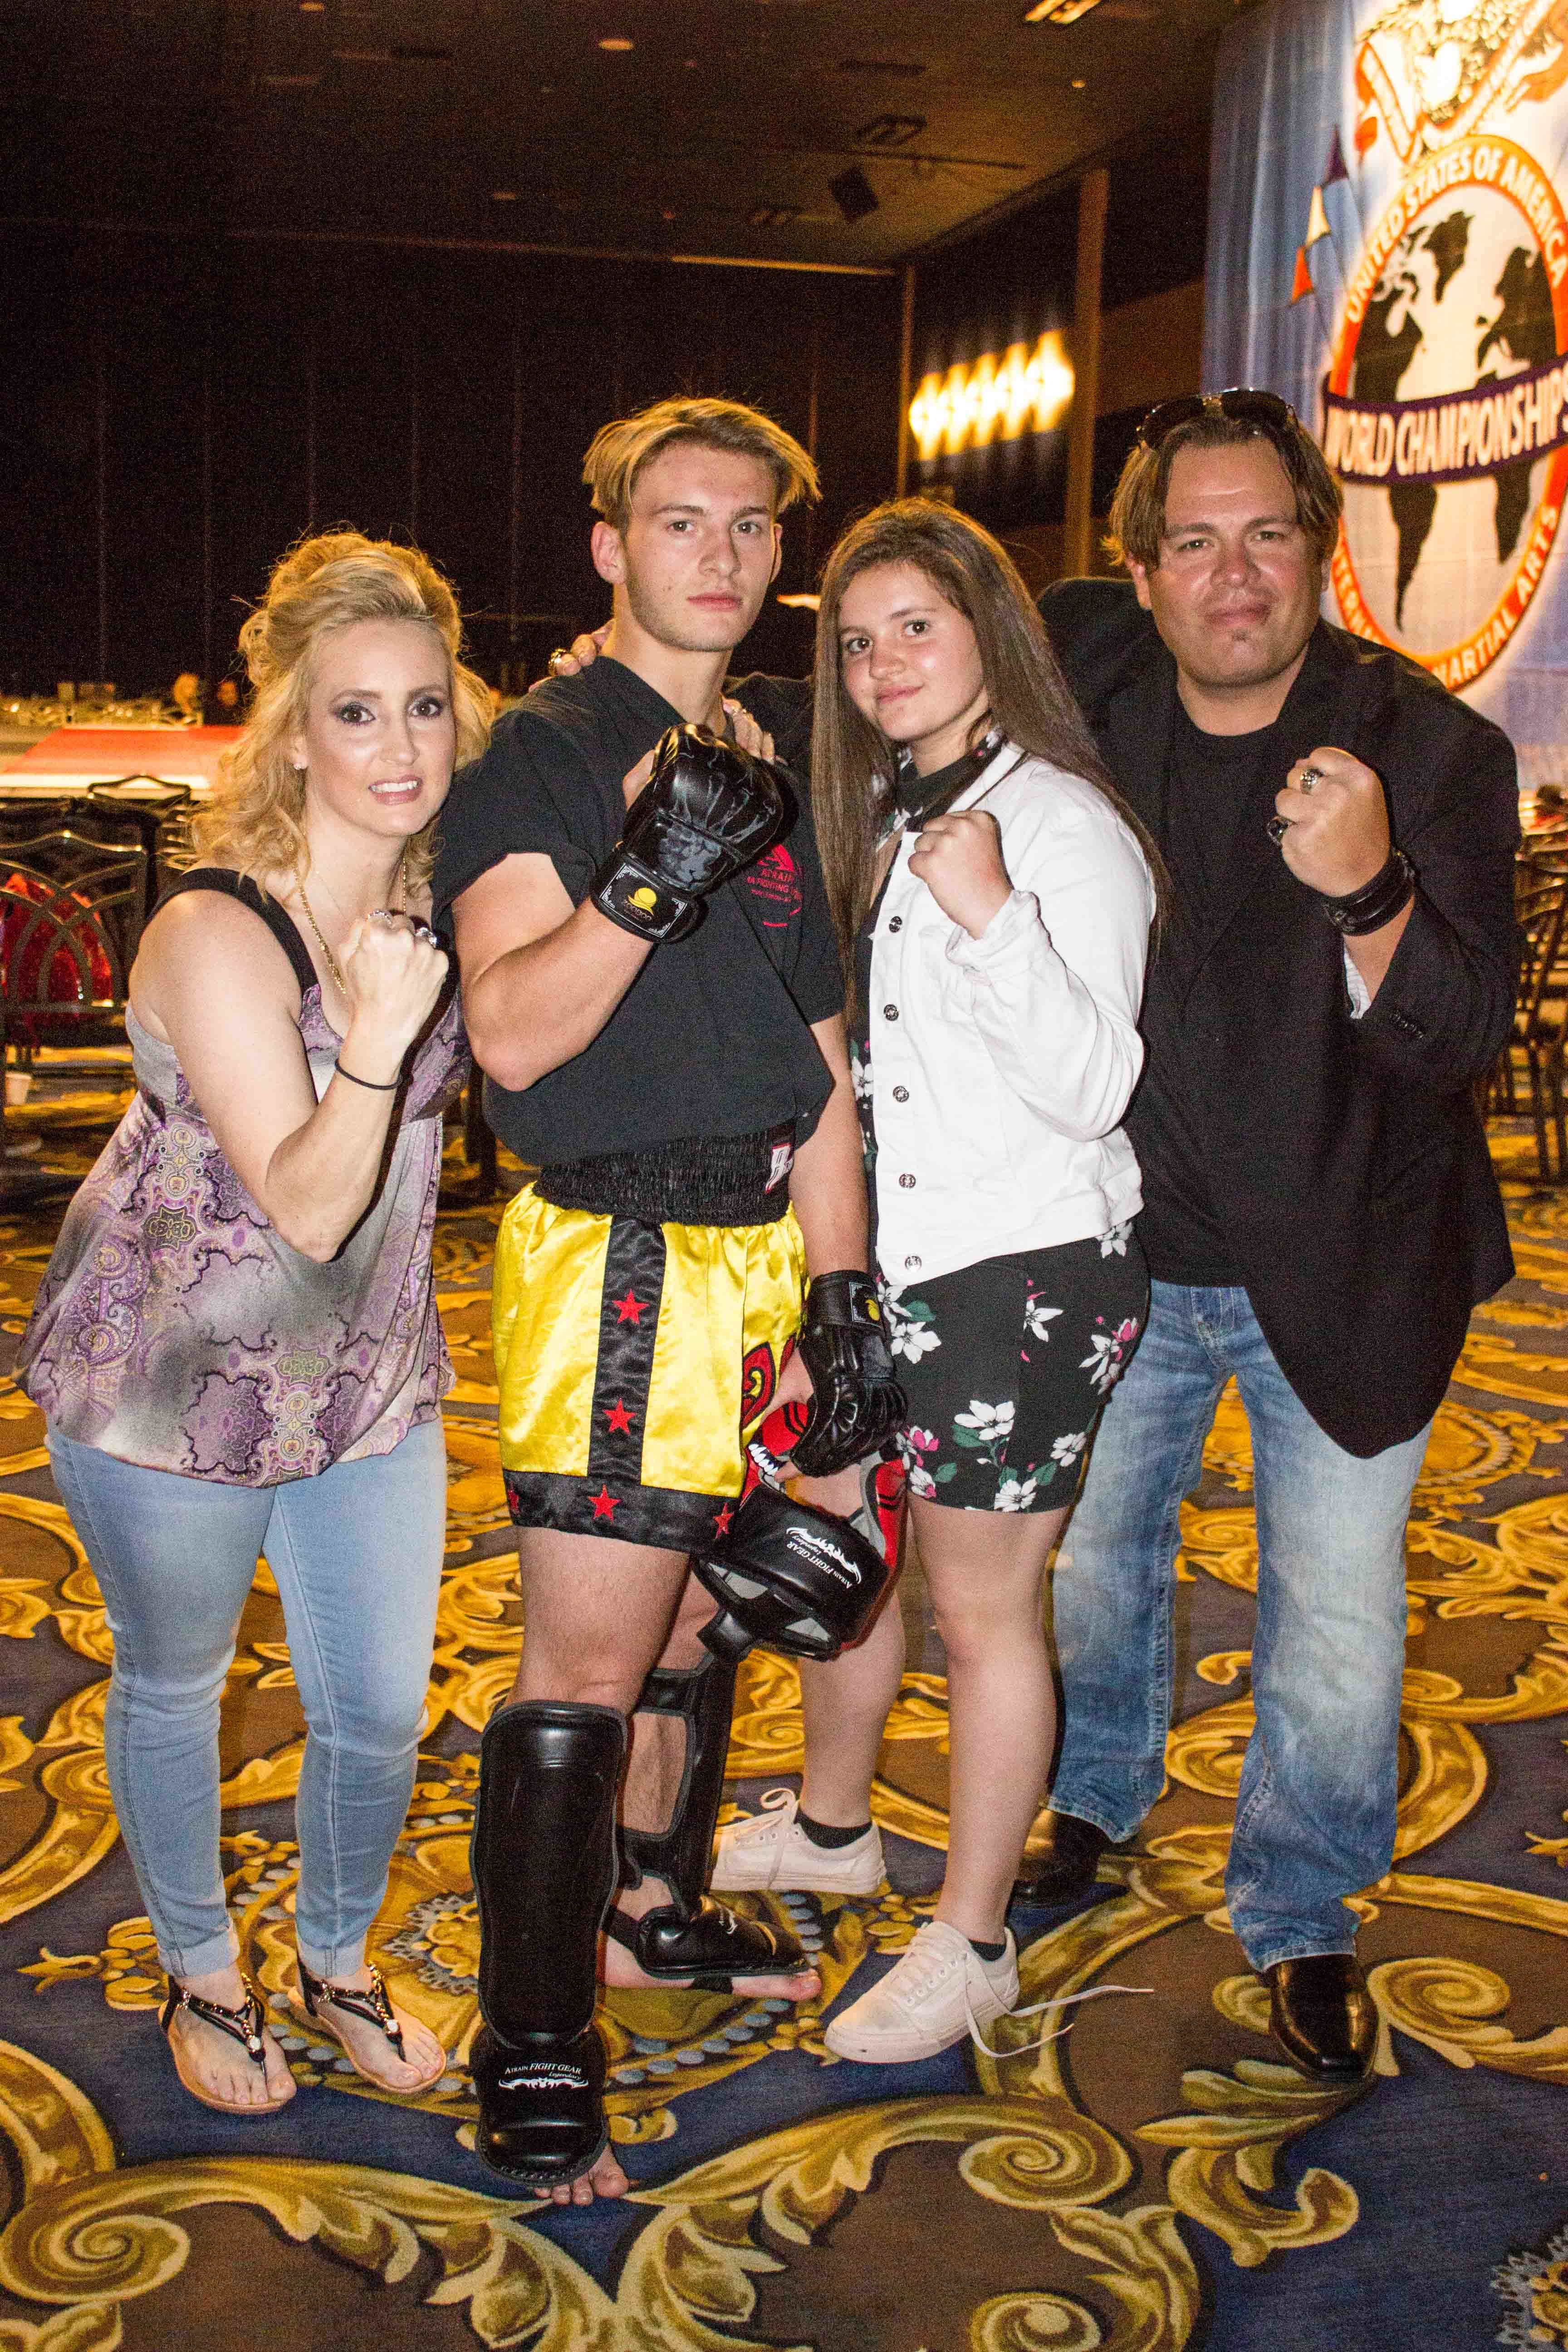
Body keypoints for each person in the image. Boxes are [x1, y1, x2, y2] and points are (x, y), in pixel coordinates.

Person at [1011, 390, 1518, 2083]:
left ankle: (1303, 1905)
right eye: (1197, 544)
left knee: (1336, 1625)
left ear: (1324, 555)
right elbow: (897, 654)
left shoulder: (1433, 753)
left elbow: (1459, 1043)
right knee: (1089, 1569)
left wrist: (1372, 890)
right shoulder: (1088, 702)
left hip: (1351, 1253)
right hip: (1131, 1251)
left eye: (1271, 538)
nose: (1236, 579)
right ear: (1142, 575)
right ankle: (1091, 1795)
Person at [435, 397, 902, 2204]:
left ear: (780, 554)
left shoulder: (764, 750)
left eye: (750, 526)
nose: (718, 552)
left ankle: (643, 1910)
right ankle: (533, 2044)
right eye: (678, 521)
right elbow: (512, 1032)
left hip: (767, 1254)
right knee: (593, 1659)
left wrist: (846, 1299)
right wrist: (648, 879)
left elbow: (824, 1066)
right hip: (615, 1258)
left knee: (720, 1632)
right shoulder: (543, 754)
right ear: (610, 546)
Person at [19, 530, 488, 2116]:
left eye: (426, 708)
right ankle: (203, 1974)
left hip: (368, 1383)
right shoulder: (215, 930)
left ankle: (339, 1960)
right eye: (357, 713)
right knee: (178, 1682)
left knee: (376, 1708)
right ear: (292, 731)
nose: (399, 747)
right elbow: (300, 1201)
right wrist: (374, 1036)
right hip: (169, 1390)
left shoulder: (438, 904)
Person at [709, 497, 1153, 2066]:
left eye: (919, 625)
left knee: (982, 1610)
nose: (885, 660)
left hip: (1019, 1270)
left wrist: (994, 917)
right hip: (896, 1258)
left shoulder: (1061, 828)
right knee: (849, 1550)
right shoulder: (887, 802)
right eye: (858, 636)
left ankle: (970, 1943)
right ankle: (835, 1831)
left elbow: (1097, 1081)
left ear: (990, 634)